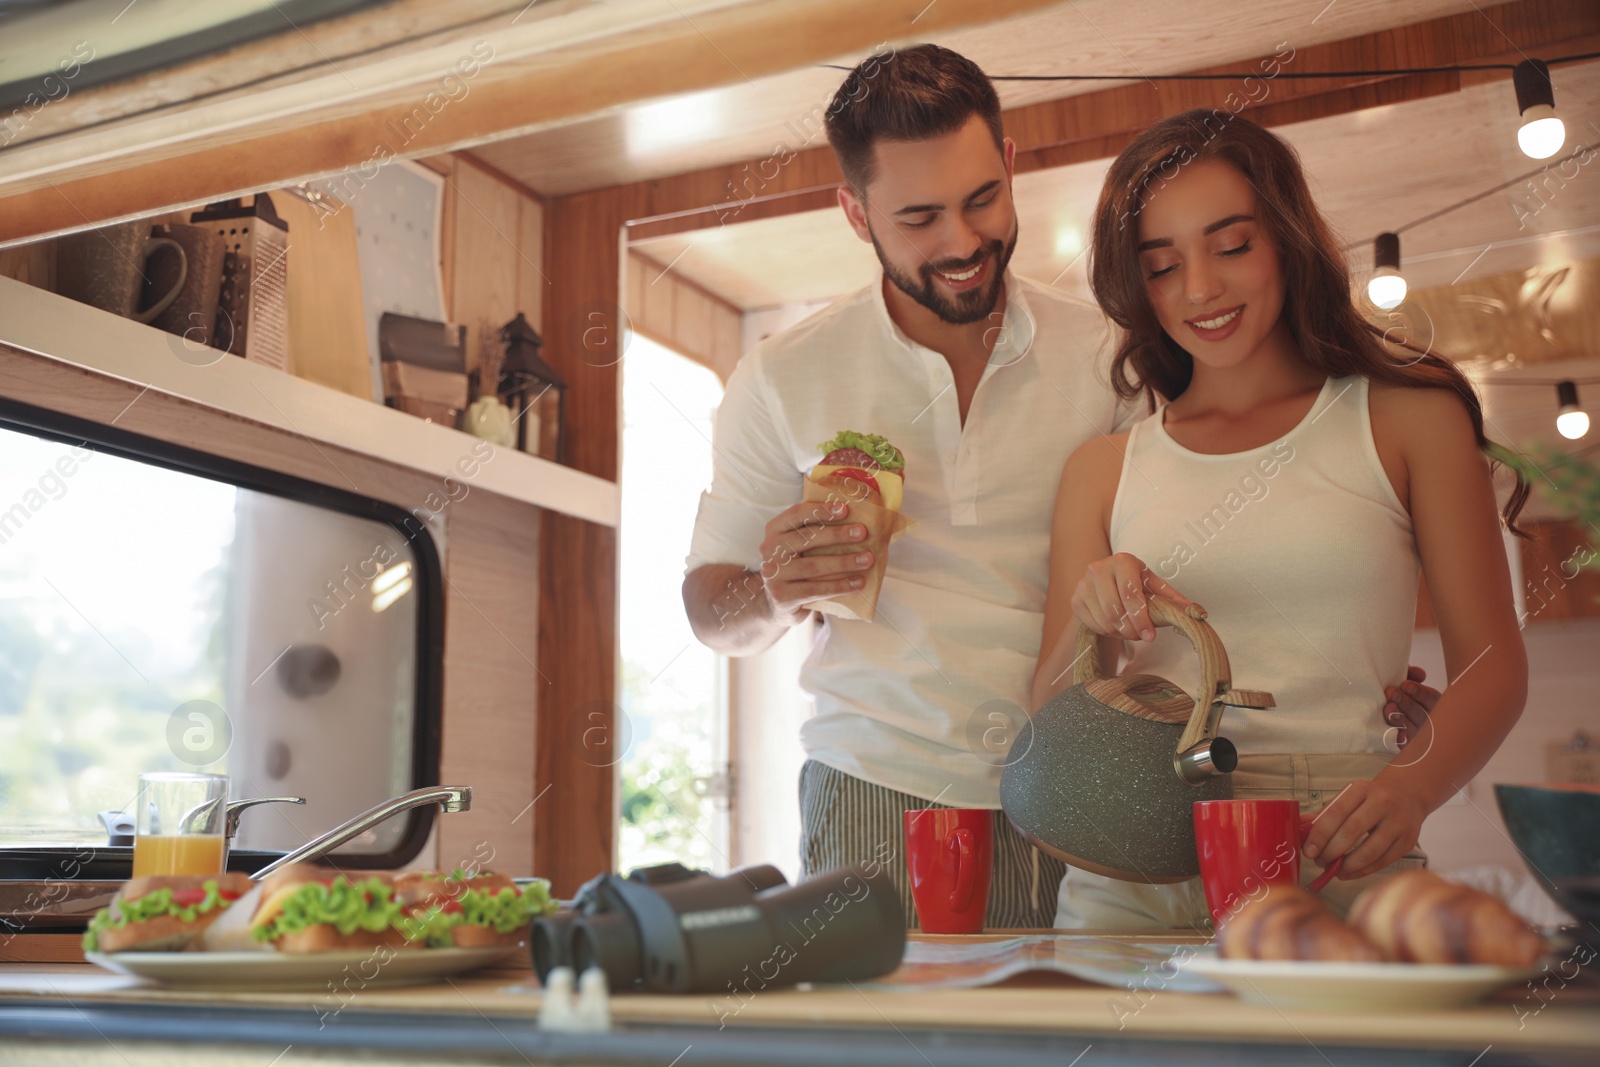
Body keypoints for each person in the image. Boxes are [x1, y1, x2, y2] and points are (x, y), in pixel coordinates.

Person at [682, 47, 1439, 930]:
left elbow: (1210, 536)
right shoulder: (781, 377)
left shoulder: (1117, 358)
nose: (963, 243)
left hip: (1104, 783)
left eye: (980, 201)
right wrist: (773, 589)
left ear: (1009, 167)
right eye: (920, 218)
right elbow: (710, 611)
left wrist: (1334, 667)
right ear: (855, 213)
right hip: (879, 783)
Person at [1033, 108, 1529, 930]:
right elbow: (1049, 722)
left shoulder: (1407, 417)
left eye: (1232, 246)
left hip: (1339, 840)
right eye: (1161, 266)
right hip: (1134, 861)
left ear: (1288, 239)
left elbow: (1495, 666)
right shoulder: (1102, 468)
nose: (1200, 289)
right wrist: (1087, 627)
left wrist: (1410, 786)